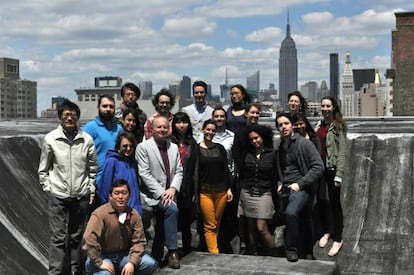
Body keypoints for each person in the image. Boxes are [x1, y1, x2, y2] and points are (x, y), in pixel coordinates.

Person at [38, 99, 97, 275]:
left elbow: (92, 167)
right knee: (58, 238)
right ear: (60, 117)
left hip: (80, 196)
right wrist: (48, 187)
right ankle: (55, 272)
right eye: (66, 114)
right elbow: (44, 168)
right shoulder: (51, 139)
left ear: (77, 117)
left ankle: (74, 271)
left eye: (73, 115)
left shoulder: (86, 139)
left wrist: (90, 188)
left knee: (76, 237)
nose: (70, 118)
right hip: (58, 195)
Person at [275, 113, 324, 262]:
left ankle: (291, 249)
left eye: (286, 123)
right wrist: (279, 184)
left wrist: (300, 184)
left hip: (301, 188)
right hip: (286, 189)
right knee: (301, 219)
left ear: (292, 125)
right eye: (280, 125)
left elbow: (318, 167)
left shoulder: (304, 143)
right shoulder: (281, 147)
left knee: (291, 213)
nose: (284, 127)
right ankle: (307, 251)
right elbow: (280, 170)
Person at [136, 116, 183, 269]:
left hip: (169, 193)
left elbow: (179, 172)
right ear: (152, 129)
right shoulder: (143, 147)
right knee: (171, 209)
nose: (162, 130)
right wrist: (162, 193)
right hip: (152, 196)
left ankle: (156, 257)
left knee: (163, 225)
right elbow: (144, 174)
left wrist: (173, 188)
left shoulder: (173, 147)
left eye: (165, 127)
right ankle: (173, 252)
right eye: (159, 127)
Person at [83, 179, 157, 275]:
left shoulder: (134, 215)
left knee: (150, 263)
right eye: (116, 193)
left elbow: (139, 241)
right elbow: (88, 238)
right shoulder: (99, 214)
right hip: (103, 256)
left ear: (129, 196)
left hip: (124, 256)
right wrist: (99, 262)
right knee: (104, 274)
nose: (120, 197)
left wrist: (132, 262)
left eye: (124, 193)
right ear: (110, 196)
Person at [187, 119, 233, 254]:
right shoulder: (196, 149)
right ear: (202, 130)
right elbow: (192, 172)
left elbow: (226, 169)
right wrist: (193, 193)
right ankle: (214, 253)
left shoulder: (220, 148)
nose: (210, 132)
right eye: (208, 130)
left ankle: (211, 249)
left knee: (216, 224)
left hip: (222, 191)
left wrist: (229, 188)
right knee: (210, 225)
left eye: (213, 130)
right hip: (204, 192)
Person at [314, 96, 347, 257]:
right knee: (321, 201)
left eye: (328, 106)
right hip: (319, 169)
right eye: (323, 105)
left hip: (332, 169)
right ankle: (327, 231)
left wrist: (339, 175)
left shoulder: (338, 126)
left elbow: (342, 152)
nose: (325, 108)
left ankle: (338, 238)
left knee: (335, 204)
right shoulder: (319, 125)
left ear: (333, 108)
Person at [231, 103, 261, 254]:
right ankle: (244, 242)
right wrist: (245, 170)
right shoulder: (240, 132)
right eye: (252, 113)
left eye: (257, 113)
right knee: (242, 212)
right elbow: (236, 154)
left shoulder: (263, 131)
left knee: (257, 211)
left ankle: (255, 243)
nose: (255, 116)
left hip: (259, 177)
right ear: (246, 114)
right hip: (244, 177)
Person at [170, 112, 197, 256]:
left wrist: (195, 191)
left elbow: (196, 169)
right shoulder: (169, 142)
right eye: (178, 122)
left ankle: (187, 249)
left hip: (187, 187)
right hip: (171, 186)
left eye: (184, 122)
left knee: (186, 221)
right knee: (171, 219)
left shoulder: (192, 143)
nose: (181, 125)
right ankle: (171, 250)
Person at [83, 95, 123, 191]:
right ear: (98, 107)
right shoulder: (90, 128)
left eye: (111, 106)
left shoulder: (119, 129)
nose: (108, 109)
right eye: (104, 106)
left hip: (117, 180)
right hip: (97, 182)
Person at [210, 107, 236, 253]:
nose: (219, 119)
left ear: (225, 119)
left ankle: (224, 244)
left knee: (226, 214)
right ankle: (210, 245)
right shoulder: (207, 135)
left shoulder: (232, 136)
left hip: (226, 179)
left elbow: (233, 159)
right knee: (210, 214)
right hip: (210, 179)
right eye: (216, 116)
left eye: (221, 116)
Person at [99, 131, 142, 215]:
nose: (128, 149)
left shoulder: (133, 163)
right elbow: (104, 188)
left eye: (131, 146)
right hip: (117, 210)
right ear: (118, 146)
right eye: (125, 146)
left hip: (134, 209)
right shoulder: (111, 161)